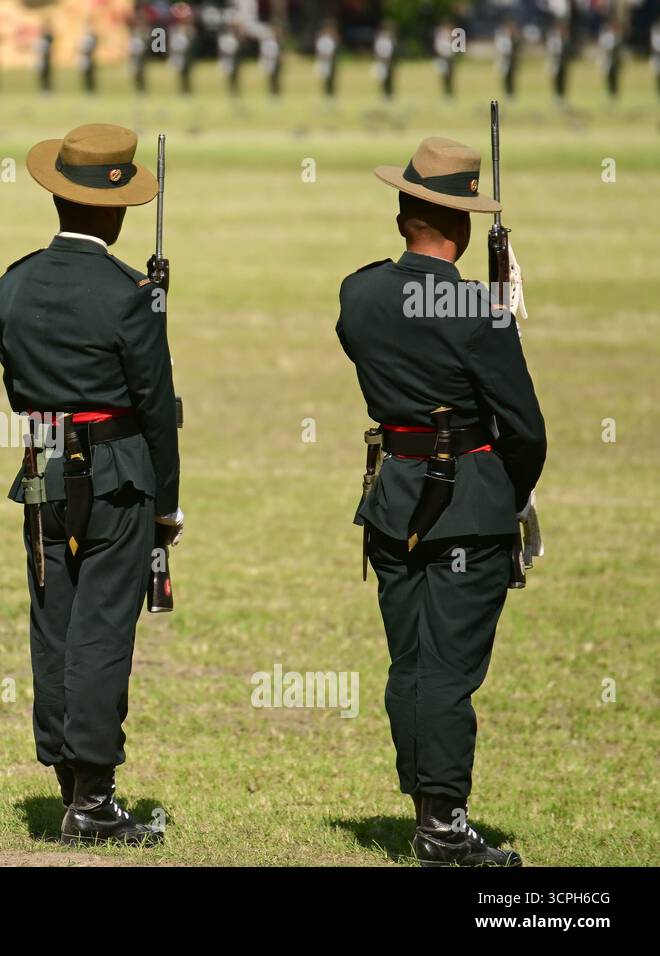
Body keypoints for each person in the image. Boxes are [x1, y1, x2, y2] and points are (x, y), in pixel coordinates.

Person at [337, 137, 546, 866]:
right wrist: (508, 498)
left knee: (412, 664)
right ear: (460, 227)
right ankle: (444, 826)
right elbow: (524, 429)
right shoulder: (476, 310)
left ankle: (428, 809)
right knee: (450, 671)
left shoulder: (357, 292)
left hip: (395, 496)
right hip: (471, 503)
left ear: (402, 216)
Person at [0, 124, 182, 847]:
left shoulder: (15, 279)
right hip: (117, 476)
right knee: (102, 632)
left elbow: (15, 381)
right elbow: (157, 406)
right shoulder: (130, 293)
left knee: (54, 624)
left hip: (42, 467)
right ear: (118, 210)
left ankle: (68, 780)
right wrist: (167, 503)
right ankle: (95, 798)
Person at [316, 20, 338, 99]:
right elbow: (319, 50)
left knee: (332, 79)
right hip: (324, 61)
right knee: (325, 79)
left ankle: (331, 95)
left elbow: (333, 51)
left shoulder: (332, 40)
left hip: (330, 62)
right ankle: (326, 95)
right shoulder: (322, 40)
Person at [372, 24, 395, 101]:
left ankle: (389, 94)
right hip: (382, 62)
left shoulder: (388, 40)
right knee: (382, 79)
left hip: (388, 62)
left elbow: (390, 52)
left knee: (389, 79)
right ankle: (383, 94)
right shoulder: (380, 41)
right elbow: (377, 52)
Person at [434, 22, 456, 99]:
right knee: (444, 76)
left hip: (450, 58)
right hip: (443, 58)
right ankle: (445, 93)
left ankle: (450, 93)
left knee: (451, 76)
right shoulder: (440, 38)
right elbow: (438, 48)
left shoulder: (451, 37)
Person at [78, 22, 98, 94]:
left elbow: (92, 47)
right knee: (85, 75)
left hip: (89, 57)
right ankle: (87, 90)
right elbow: (80, 48)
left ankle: (92, 90)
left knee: (91, 75)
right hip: (84, 58)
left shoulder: (92, 38)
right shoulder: (83, 38)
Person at [36, 20, 53, 94]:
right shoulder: (40, 40)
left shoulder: (47, 38)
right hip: (41, 60)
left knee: (48, 75)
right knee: (41, 76)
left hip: (46, 59)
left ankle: (48, 90)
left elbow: (52, 38)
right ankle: (43, 90)